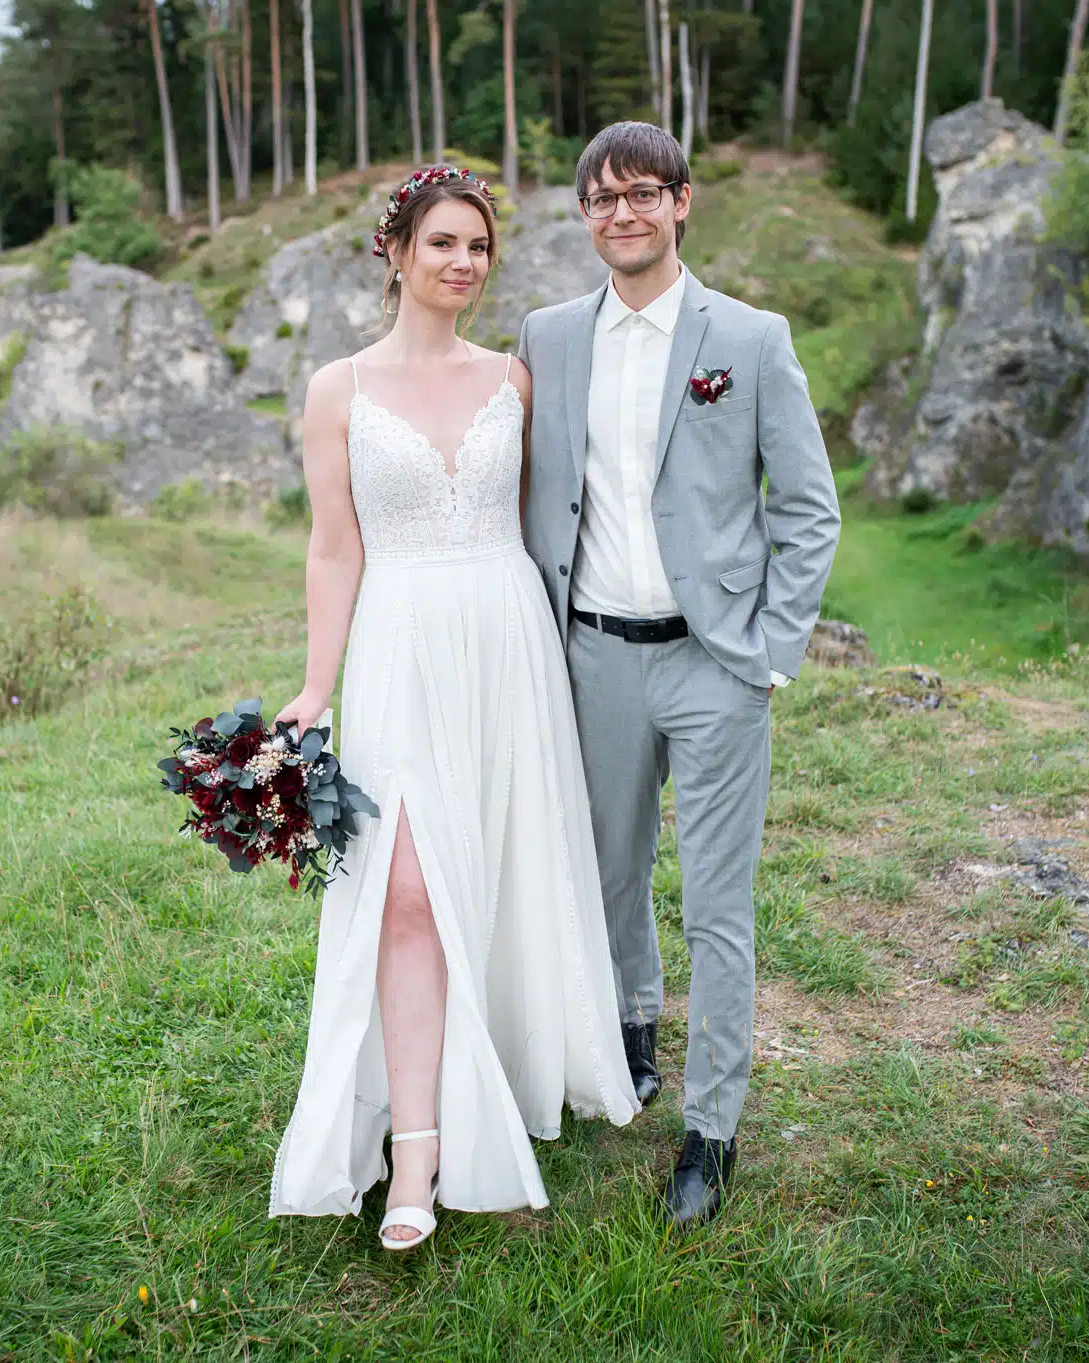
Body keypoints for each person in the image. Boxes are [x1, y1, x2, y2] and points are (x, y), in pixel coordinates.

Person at [267, 166, 639, 1249]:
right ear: (393, 253)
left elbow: (557, 517)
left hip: (502, 637)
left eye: (476, 247)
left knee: (499, 868)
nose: (462, 264)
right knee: (406, 893)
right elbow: (332, 547)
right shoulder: (336, 390)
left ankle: (509, 1065)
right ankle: (415, 1159)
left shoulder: (515, 381)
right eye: (440, 244)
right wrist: (311, 685)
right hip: (396, 642)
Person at [517, 121, 842, 1228]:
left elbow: (807, 507)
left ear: (681, 202)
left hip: (713, 665)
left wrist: (770, 648)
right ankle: (629, 1033)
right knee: (605, 875)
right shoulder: (547, 336)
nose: (622, 213)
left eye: (642, 193)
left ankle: (709, 1130)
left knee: (717, 907)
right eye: (601, 197)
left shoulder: (747, 339)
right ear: (583, 216)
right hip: (592, 656)